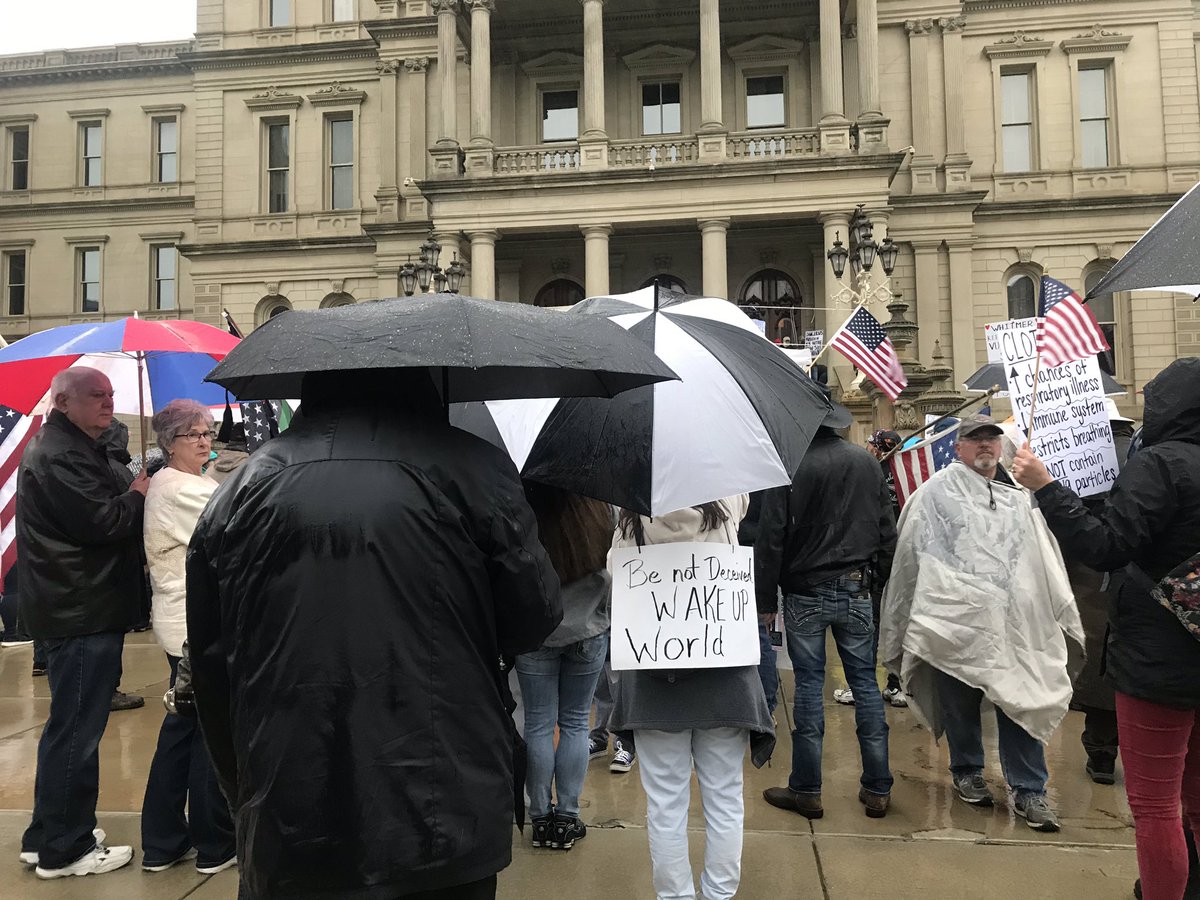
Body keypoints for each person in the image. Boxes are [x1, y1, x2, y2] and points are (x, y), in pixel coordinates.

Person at [186, 369, 562, 900]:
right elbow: (535, 616)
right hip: (444, 797)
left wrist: (243, 790)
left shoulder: (243, 485)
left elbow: (209, 659)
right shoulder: (474, 466)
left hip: (289, 795)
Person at [1013, 358, 1200, 899]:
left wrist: (1047, 487)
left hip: (1159, 662)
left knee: (1157, 804)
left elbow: (1105, 547)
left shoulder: (1161, 464)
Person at [880, 414, 1083, 833]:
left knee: (1021, 697)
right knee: (959, 701)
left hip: (1013, 625)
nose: (985, 445)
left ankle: (1030, 790)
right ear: (959, 447)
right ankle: (967, 769)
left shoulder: (1018, 496)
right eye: (975, 439)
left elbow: (1041, 558)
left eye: (991, 438)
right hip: (954, 622)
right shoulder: (935, 494)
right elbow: (914, 555)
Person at [16, 366, 148, 878]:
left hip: (80, 605)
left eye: (111, 395)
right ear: (63, 402)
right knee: (78, 732)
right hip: (80, 610)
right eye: (96, 396)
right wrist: (137, 492)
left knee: (67, 728)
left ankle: (47, 833)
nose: (108, 403)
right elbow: (104, 522)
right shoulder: (60, 455)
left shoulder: (76, 448)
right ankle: (66, 849)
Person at [608, 495, 774, 900]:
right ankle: (719, 894)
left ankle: (675, 896)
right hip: (725, 679)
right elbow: (745, 498)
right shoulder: (726, 503)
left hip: (653, 683)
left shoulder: (631, 520)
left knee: (665, 804)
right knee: (724, 797)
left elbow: (616, 581)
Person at [757, 405, 897, 820]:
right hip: (856, 587)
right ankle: (877, 788)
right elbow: (887, 529)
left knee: (809, 686)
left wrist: (765, 600)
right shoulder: (867, 464)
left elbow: (771, 539)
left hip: (805, 591)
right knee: (866, 686)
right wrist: (878, 581)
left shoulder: (790, 467)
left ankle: (807, 788)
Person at [140, 400, 236, 875]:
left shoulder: (185, 481)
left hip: (185, 624)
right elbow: (231, 532)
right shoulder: (178, 487)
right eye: (193, 434)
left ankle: (162, 842)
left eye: (207, 432)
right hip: (192, 627)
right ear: (169, 442)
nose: (204, 441)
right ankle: (215, 841)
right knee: (207, 732)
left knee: (182, 731)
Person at [517, 484, 613, 851]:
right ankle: (568, 817)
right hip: (588, 629)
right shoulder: (598, 506)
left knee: (538, 723)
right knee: (575, 722)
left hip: (536, 632)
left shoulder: (523, 508)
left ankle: (540, 817)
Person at [1066, 398, 1135, 787]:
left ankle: (1102, 753)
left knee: (1100, 663)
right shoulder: (1147, 459)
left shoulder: (1084, 463)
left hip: (1094, 576)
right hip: (1141, 580)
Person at [832, 428, 907, 709]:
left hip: (877, 562)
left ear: (878, 448)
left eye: (871, 444)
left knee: (868, 626)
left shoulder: (868, 474)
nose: (867, 448)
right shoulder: (904, 474)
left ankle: (860, 686)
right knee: (896, 622)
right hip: (902, 561)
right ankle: (896, 686)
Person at [738, 491, 780, 719]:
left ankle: (757, 703)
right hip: (759, 550)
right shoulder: (764, 467)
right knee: (761, 632)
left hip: (730, 547)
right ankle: (765, 705)